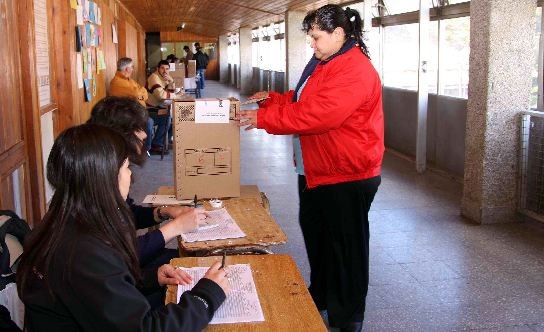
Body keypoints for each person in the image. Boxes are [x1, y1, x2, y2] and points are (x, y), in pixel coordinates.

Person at [237, 5, 383, 332]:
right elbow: (302, 100)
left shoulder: (354, 69)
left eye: (317, 37)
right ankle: (322, 298)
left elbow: (318, 115)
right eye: (311, 37)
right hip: (318, 170)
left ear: (340, 34)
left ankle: (348, 316)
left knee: (346, 249)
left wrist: (263, 119)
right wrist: (272, 101)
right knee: (319, 238)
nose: (312, 44)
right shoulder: (324, 62)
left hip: (347, 173)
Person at [17, 124, 229, 331]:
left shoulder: (62, 219)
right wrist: (207, 295)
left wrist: (148, 279)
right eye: (126, 167)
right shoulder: (85, 251)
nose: (130, 176)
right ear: (106, 179)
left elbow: (94, 293)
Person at [88, 96, 200, 271]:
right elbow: (118, 256)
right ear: (119, 133)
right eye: (138, 128)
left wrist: (164, 212)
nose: (145, 134)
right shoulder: (98, 180)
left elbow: (127, 213)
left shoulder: (105, 166)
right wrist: (175, 227)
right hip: (123, 268)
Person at [108, 57, 160, 154]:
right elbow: (137, 94)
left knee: (164, 118)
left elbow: (144, 92)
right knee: (149, 122)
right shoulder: (117, 82)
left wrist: (140, 95)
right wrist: (140, 95)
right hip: (127, 114)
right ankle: (145, 148)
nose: (133, 69)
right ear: (127, 69)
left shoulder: (129, 80)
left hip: (138, 112)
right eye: (132, 67)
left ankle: (156, 144)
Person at [146, 60, 181, 154]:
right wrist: (175, 96)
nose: (165, 71)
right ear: (157, 69)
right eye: (162, 68)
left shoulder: (164, 77)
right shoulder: (154, 77)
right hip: (150, 109)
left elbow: (170, 92)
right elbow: (161, 95)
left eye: (167, 69)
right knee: (167, 119)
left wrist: (171, 81)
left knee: (175, 120)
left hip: (159, 106)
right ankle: (156, 144)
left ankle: (163, 141)